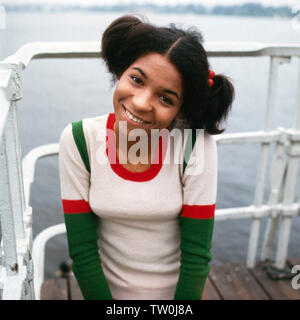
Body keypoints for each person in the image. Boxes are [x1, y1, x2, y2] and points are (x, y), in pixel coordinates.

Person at [58, 15, 234, 300]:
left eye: (166, 98)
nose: (141, 103)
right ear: (120, 71)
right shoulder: (80, 140)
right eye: (137, 80)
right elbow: (82, 251)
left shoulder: (194, 145)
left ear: (181, 110)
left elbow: (196, 258)